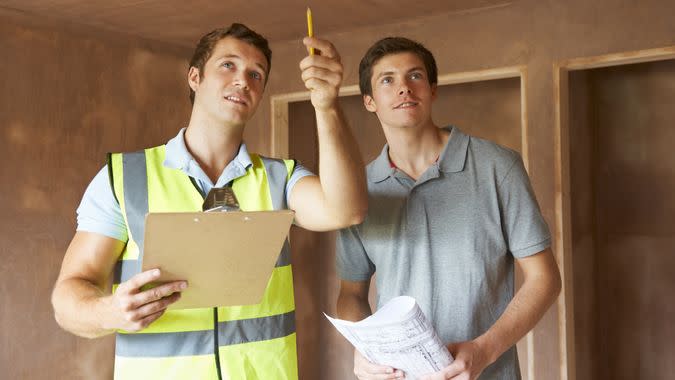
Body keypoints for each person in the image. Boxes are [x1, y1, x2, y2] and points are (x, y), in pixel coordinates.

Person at [51, 23, 367, 380]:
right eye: (228, 65)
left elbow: (346, 209)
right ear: (195, 77)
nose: (243, 80)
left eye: (256, 74)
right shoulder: (123, 178)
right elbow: (68, 298)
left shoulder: (280, 178)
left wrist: (326, 107)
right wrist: (110, 311)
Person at [335, 37, 561, 380]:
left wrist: (485, 350)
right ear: (369, 101)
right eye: (387, 80)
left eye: (415, 76)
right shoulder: (358, 189)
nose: (404, 89)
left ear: (432, 90)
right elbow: (351, 293)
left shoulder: (498, 167)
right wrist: (363, 351)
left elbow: (545, 279)